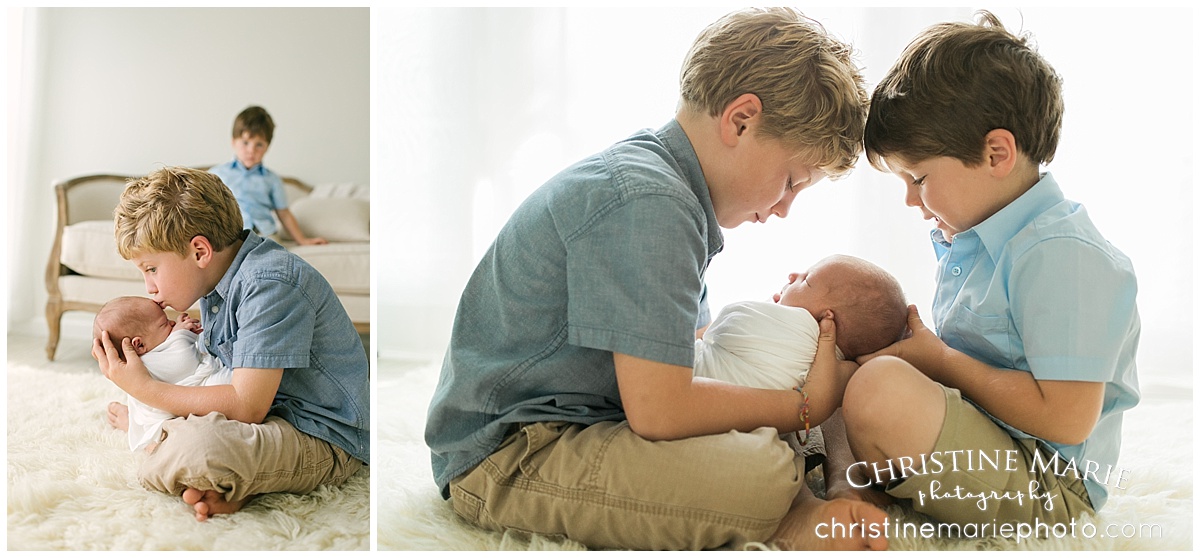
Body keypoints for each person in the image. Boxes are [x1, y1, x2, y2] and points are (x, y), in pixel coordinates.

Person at [425, 8, 888, 551]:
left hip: (594, 419)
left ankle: (833, 492)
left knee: (784, 385)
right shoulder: (650, 203)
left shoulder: (673, 193)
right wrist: (805, 407)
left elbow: (694, 356)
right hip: (510, 455)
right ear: (741, 120)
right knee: (762, 470)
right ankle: (785, 516)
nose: (783, 209)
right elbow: (662, 411)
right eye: (790, 181)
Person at [842, 10, 1140, 531]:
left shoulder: (1060, 253)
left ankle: (860, 494)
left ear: (996, 153)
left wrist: (939, 361)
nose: (911, 200)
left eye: (919, 177)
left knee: (879, 386)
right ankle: (850, 494)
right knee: (846, 352)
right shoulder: (978, 237)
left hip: (1050, 483)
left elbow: (1066, 417)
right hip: (991, 436)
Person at [92, 166, 369, 522]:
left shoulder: (269, 283)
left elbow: (246, 405)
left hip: (321, 434)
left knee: (193, 448)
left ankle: (197, 457)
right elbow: (211, 375)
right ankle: (228, 480)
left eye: (151, 269)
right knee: (190, 439)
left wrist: (145, 390)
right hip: (269, 416)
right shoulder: (217, 280)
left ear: (199, 251)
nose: (149, 287)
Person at [92, 296, 232, 453]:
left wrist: (177, 329)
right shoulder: (150, 362)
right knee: (226, 382)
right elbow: (185, 360)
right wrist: (181, 331)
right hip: (166, 418)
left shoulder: (140, 361)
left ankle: (132, 424)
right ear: (139, 345)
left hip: (175, 405)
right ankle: (135, 429)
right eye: (165, 323)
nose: (173, 324)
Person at [209, 105, 327, 245]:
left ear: (267, 148)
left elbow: (284, 214)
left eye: (259, 145)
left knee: (272, 252)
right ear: (234, 142)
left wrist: (302, 240)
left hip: (265, 233)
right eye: (245, 143)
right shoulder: (217, 175)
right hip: (232, 234)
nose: (251, 150)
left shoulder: (272, 180)